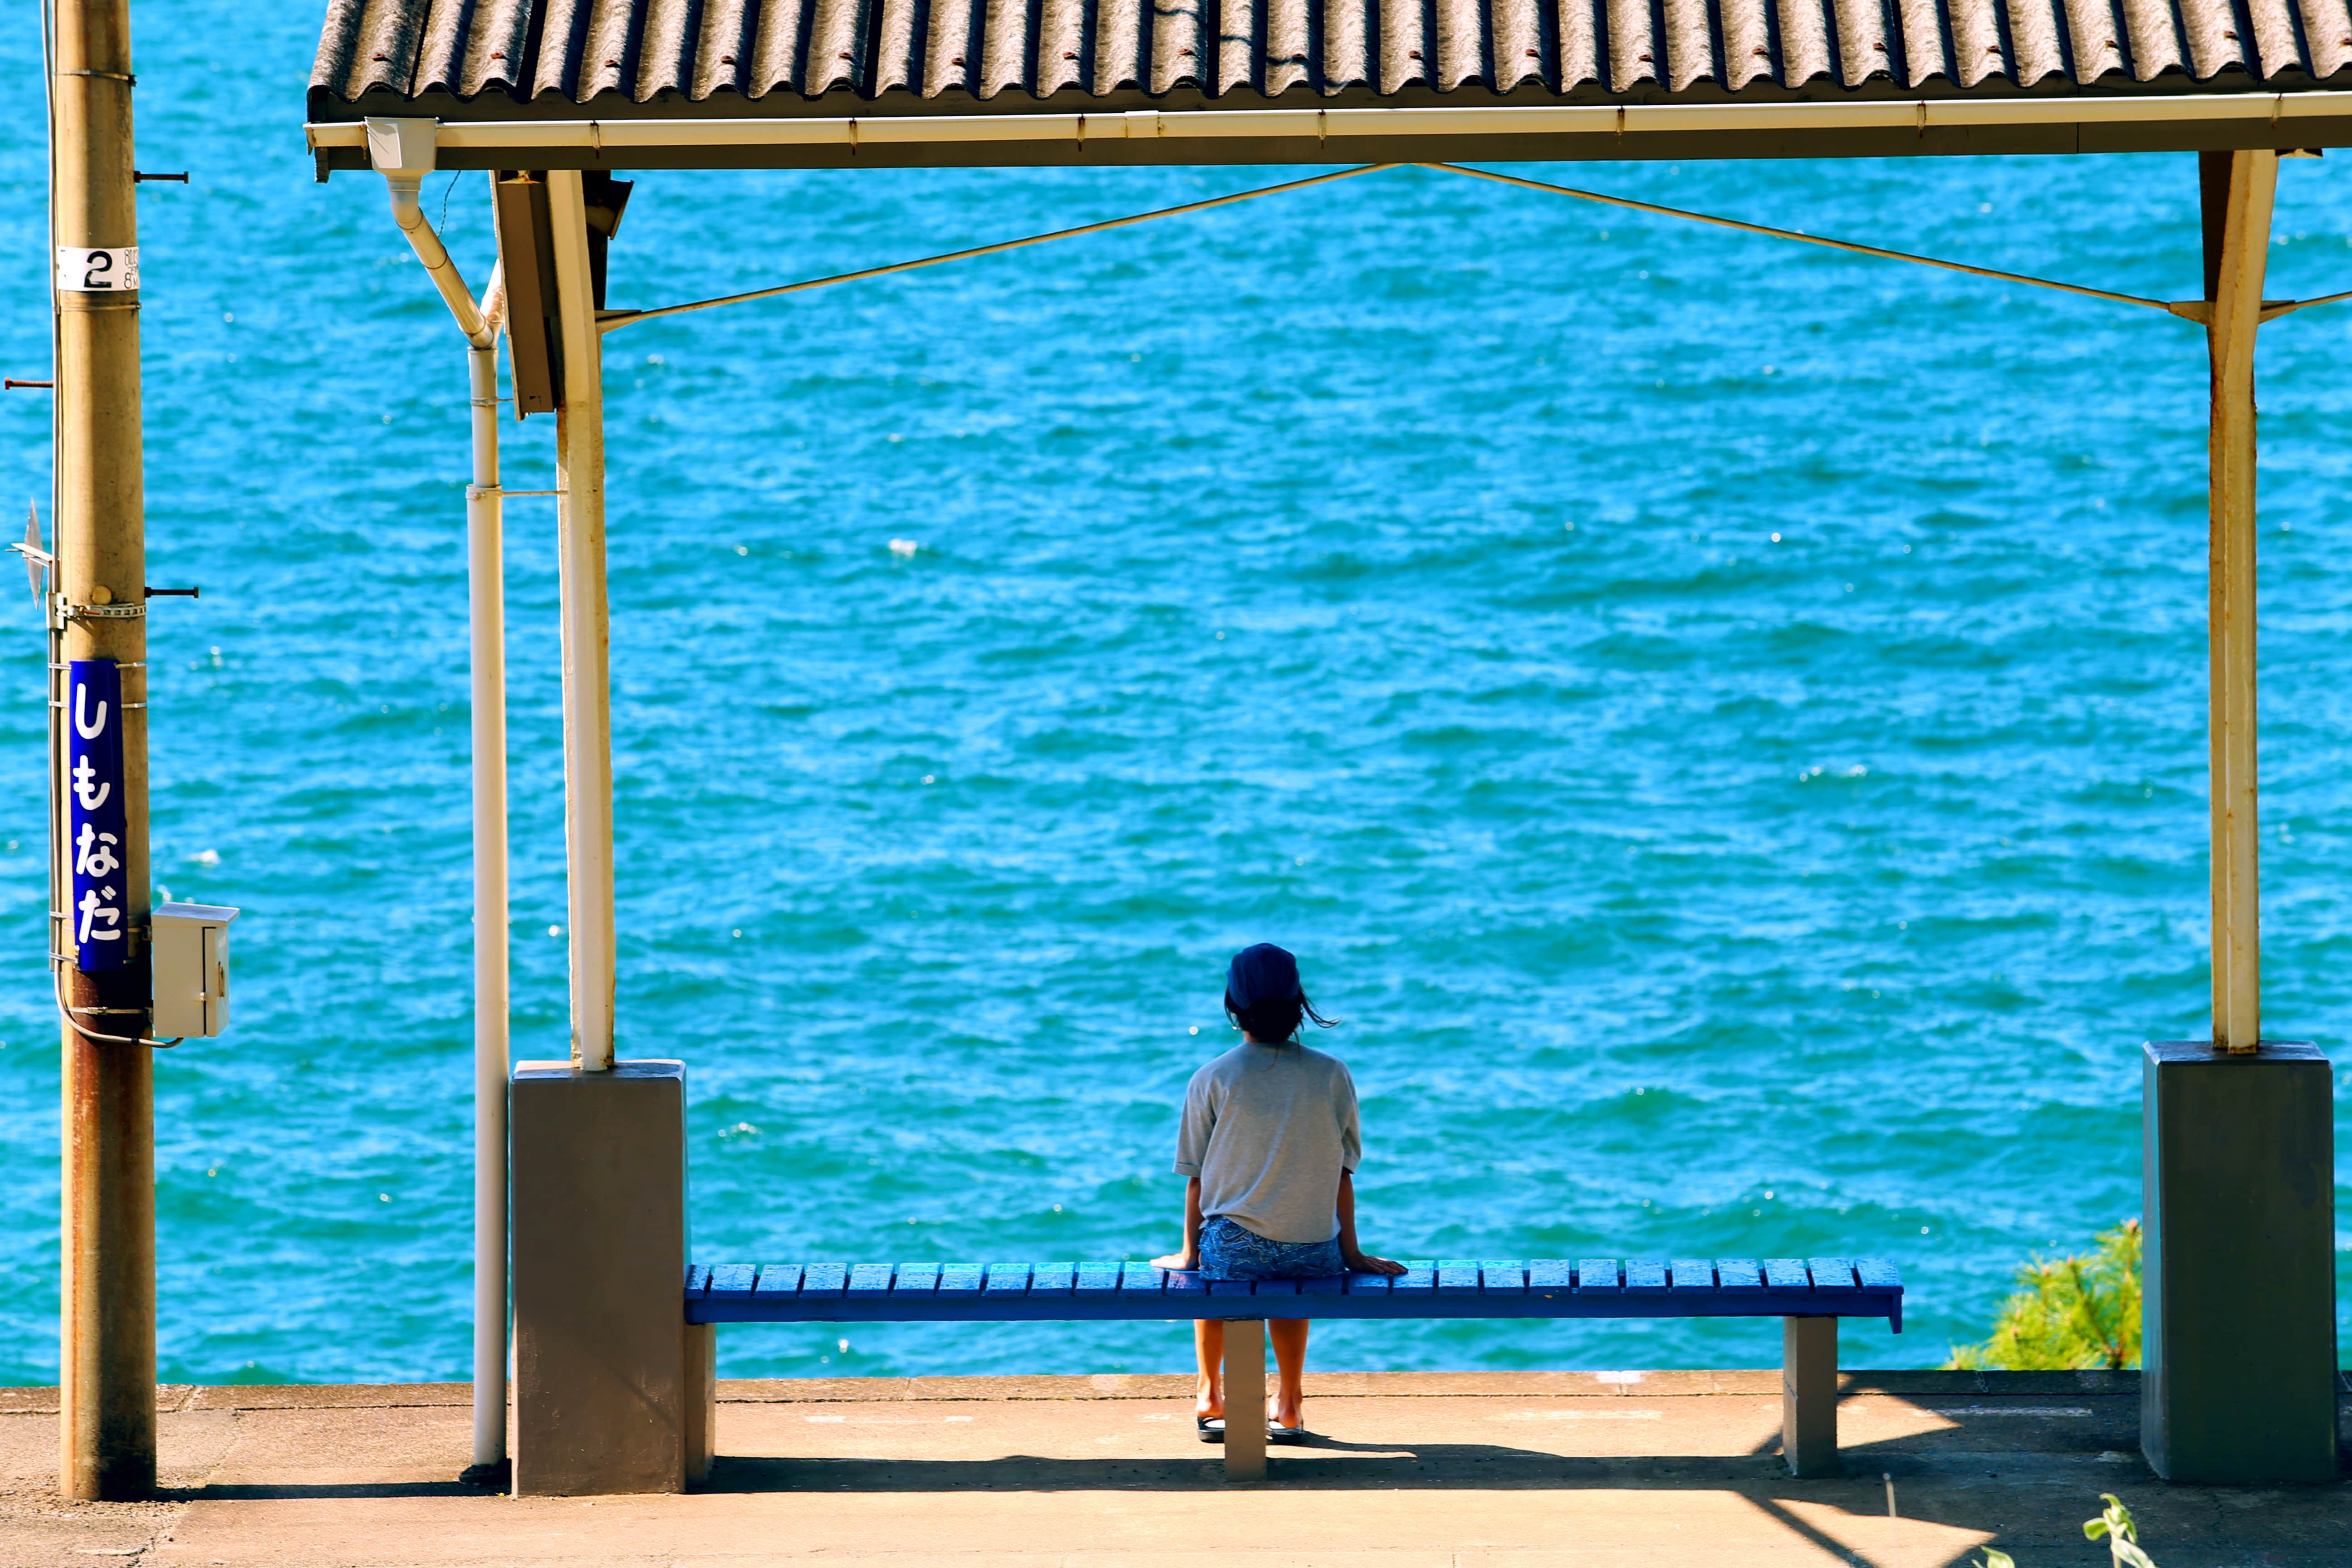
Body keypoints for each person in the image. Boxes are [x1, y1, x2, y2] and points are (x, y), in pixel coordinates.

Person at [1152, 943, 1406, 1444]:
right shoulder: (1331, 1074)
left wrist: (1188, 1254)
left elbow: (1196, 1177)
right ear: (1298, 1004)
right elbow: (1343, 1172)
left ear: (1233, 1006)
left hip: (1235, 1249)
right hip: (1314, 1249)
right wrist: (1351, 1253)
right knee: (1293, 1268)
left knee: (1217, 1266)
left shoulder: (1213, 1077)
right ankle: (1289, 1404)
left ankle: (1210, 1395)